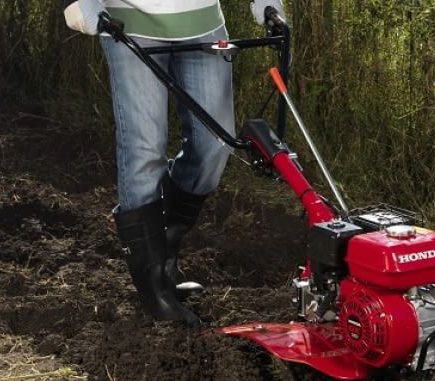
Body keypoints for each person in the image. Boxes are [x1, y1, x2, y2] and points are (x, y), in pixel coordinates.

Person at [63, 0, 285, 326]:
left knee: (213, 146)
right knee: (144, 150)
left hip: (203, 23)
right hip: (128, 24)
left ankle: (163, 246)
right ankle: (153, 285)